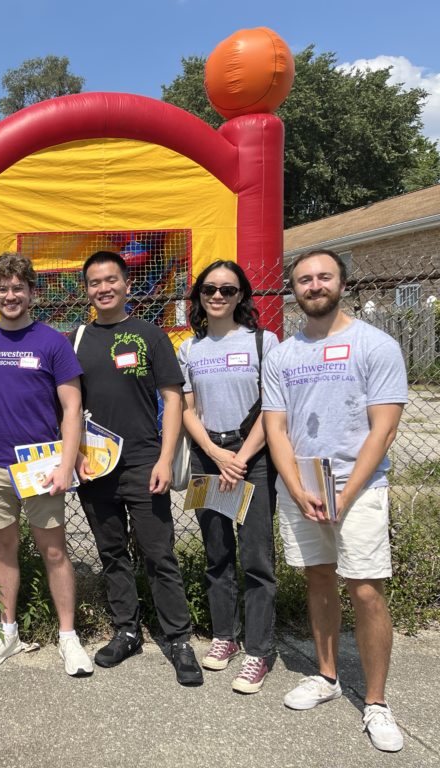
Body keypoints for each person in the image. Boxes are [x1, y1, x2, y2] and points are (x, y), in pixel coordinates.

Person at [263, 249, 408, 752]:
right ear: (294, 290)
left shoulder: (376, 345)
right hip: (301, 489)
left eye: (324, 277)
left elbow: (383, 428)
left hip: (359, 487)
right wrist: (298, 488)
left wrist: (346, 492)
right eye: (304, 279)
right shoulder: (281, 353)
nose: (314, 285)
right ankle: (326, 677)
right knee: (318, 577)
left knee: (365, 589)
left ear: (342, 283)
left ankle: (376, 702)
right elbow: (276, 427)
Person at [74, 250, 203, 686]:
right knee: (112, 554)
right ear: (86, 290)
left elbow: (172, 399)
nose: (103, 288)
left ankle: (179, 639)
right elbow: (69, 405)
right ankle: (126, 630)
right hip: (95, 466)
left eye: (111, 280)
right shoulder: (76, 340)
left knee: (158, 553)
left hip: (145, 462)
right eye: (94, 282)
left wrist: (165, 459)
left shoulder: (151, 335)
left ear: (127, 285)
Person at [0, 252, 92, 677]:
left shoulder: (52, 342)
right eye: (2, 289)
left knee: (54, 550)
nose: (10, 295)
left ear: (32, 292)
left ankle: (69, 637)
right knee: (3, 549)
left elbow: (72, 408)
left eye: (18, 287)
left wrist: (66, 463)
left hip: (41, 466)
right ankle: (8, 632)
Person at [177, 260, 279, 693]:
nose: (218, 296)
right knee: (217, 553)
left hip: (252, 457)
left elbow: (273, 407)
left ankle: (258, 652)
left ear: (241, 296)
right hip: (208, 457)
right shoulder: (189, 349)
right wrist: (218, 454)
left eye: (228, 290)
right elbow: (187, 410)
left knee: (256, 558)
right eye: (210, 289)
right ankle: (225, 637)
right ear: (199, 295)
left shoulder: (264, 342)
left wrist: (241, 456)